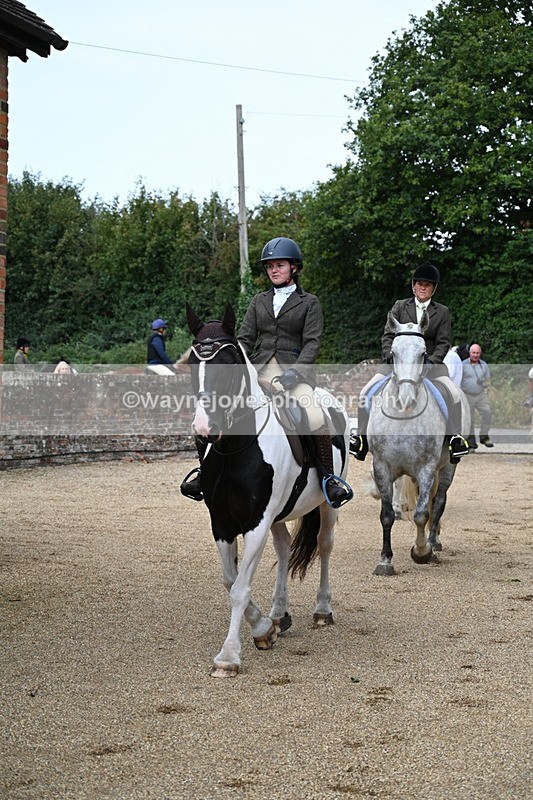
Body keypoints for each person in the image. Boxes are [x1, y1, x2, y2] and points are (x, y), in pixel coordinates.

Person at [180, 236, 353, 508]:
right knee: (214, 407)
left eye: (280, 265)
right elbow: (245, 339)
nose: (274, 270)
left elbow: (312, 343)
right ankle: (205, 472)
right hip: (258, 368)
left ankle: (328, 479)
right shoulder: (258, 301)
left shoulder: (309, 302)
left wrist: (296, 373)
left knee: (315, 413)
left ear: (293, 267)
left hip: (293, 371)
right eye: (270, 266)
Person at [351, 262, 470, 463]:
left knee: (454, 394)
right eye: (420, 284)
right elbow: (388, 335)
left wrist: (430, 362)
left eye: (428, 285)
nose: (423, 287)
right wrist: (390, 355)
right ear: (413, 286)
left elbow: (443, 342)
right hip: (397, 363)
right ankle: (361, 439)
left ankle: (454, 439)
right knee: (366, 392)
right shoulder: (399, 306)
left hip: (431, 366)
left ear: (434, 288)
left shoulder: (441, 312)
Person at [461, 343, 493, 449]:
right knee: (470, 419)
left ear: (480, 353)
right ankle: (471, 444)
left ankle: (484, 436)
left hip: (480, 395)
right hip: (467, 395)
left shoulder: (484, 365)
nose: (475, 355)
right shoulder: (462, 364)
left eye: (477, 353)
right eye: (474, 353)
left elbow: (487, 380)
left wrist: (485, 385)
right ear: (470, 353)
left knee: (487, 413)